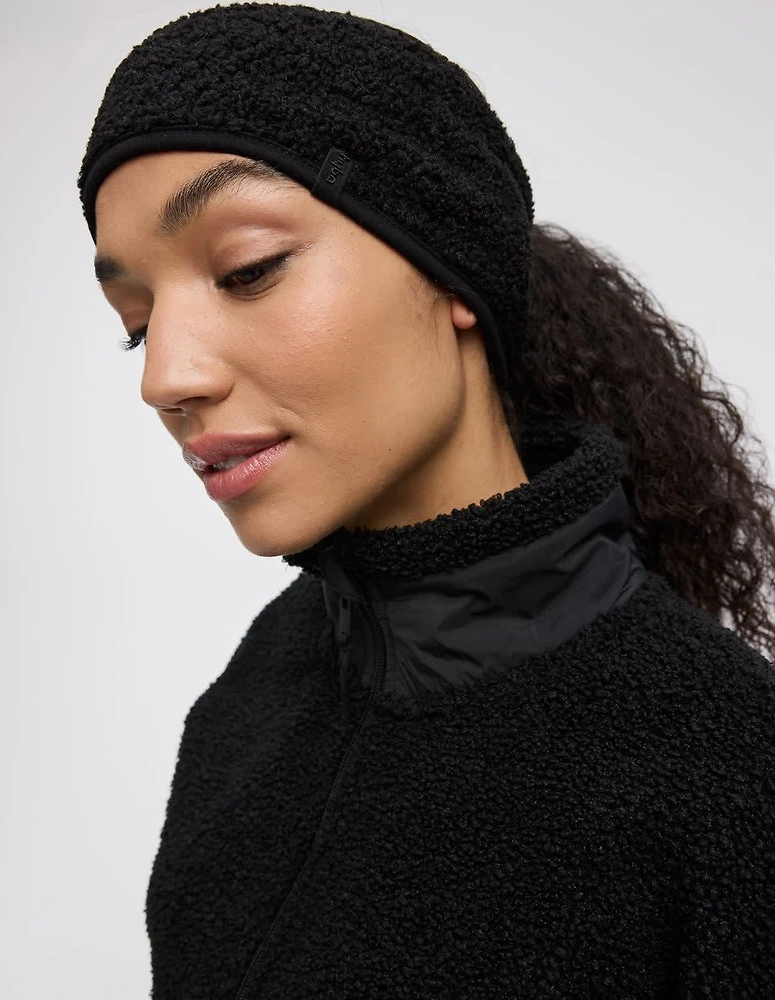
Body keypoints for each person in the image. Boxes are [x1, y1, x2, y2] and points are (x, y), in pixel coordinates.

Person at [77, 4, 775, 998]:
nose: (166, 378)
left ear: (449, 268)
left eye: (247, 270)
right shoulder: (254, 694)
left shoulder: (731, 770)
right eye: (137, 321)